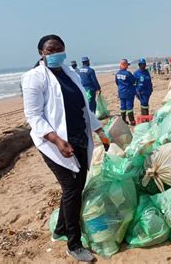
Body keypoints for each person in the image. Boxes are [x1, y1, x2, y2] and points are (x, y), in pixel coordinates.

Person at [21, 34, 110, 262]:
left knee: (76, 187)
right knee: (71, 188)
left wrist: (100, 131)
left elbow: (84, 107)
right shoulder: (34, 77)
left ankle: (60, 228)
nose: (55, 53)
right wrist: (57, 141)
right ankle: (74, 244)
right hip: (54, 143)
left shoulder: (71, 73)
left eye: (59, 48)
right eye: (50, 50)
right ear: (41, 53)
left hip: (79, 138)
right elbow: (33, 116)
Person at [115, 59, 136, 125]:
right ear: (125, 65)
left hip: (121, 92)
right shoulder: (128, 73)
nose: (128, 67)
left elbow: (117, 82)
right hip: (128, 92)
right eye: (127, 65)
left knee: (123, 107)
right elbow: (133, 81)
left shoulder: (117, 73)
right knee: (129, 106)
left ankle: (123, 120)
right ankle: (132, 121)